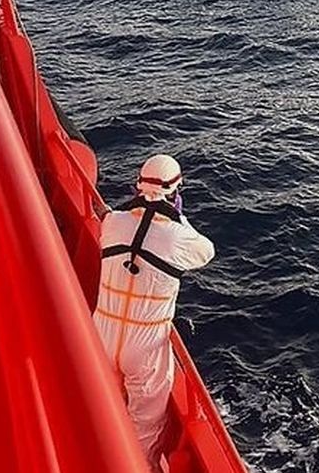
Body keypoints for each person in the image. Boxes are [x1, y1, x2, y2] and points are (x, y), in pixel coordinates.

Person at [93, 155, 215, 468]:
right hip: (144, 344)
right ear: (176, 193)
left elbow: (113, 223)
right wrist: (176, 216)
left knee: (103, 404)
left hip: (101, 335)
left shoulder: (113, 222)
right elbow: (206, 252)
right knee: (145, 426)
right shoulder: (180, 237)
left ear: (137, 185)